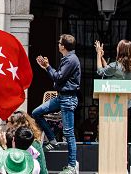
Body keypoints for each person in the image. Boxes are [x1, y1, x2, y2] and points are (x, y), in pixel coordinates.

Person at [32, 33, 80, 174]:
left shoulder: (71, 60)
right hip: (62, 98)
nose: (58, 44)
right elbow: (58, 77)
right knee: (36, 113)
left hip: (68, 99)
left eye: (59, 42)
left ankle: (71, 165)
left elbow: (57, 77)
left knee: (69, 133)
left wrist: (47, 67)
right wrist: (47, 67)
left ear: (63, 46)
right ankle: (52, 139)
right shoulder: (68, 58)